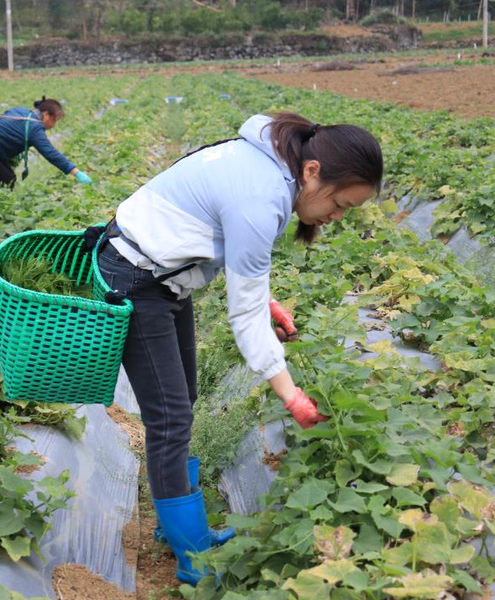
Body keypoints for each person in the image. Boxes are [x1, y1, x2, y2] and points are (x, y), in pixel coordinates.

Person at [97, 112, 383, 584]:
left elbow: (230, 249)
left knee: (180, 403)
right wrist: (291, 394)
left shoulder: (272, 165)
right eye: (340, 204)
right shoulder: (263, 194)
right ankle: (192, 557)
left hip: (166, 276)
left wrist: (263, 297)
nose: (335, 218)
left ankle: (179, 531)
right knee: (170, 418)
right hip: (137, 278)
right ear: (313, 173)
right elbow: (244, 317)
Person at [0, 96, 92, 189]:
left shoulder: (23, 111)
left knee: (8, 177)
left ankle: (7, 208)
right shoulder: (34, 128)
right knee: (9, 180)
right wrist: (76, 173)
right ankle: (3, 213)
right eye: (54, 120)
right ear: (46, 114)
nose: (53, 125)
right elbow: (50, 153)